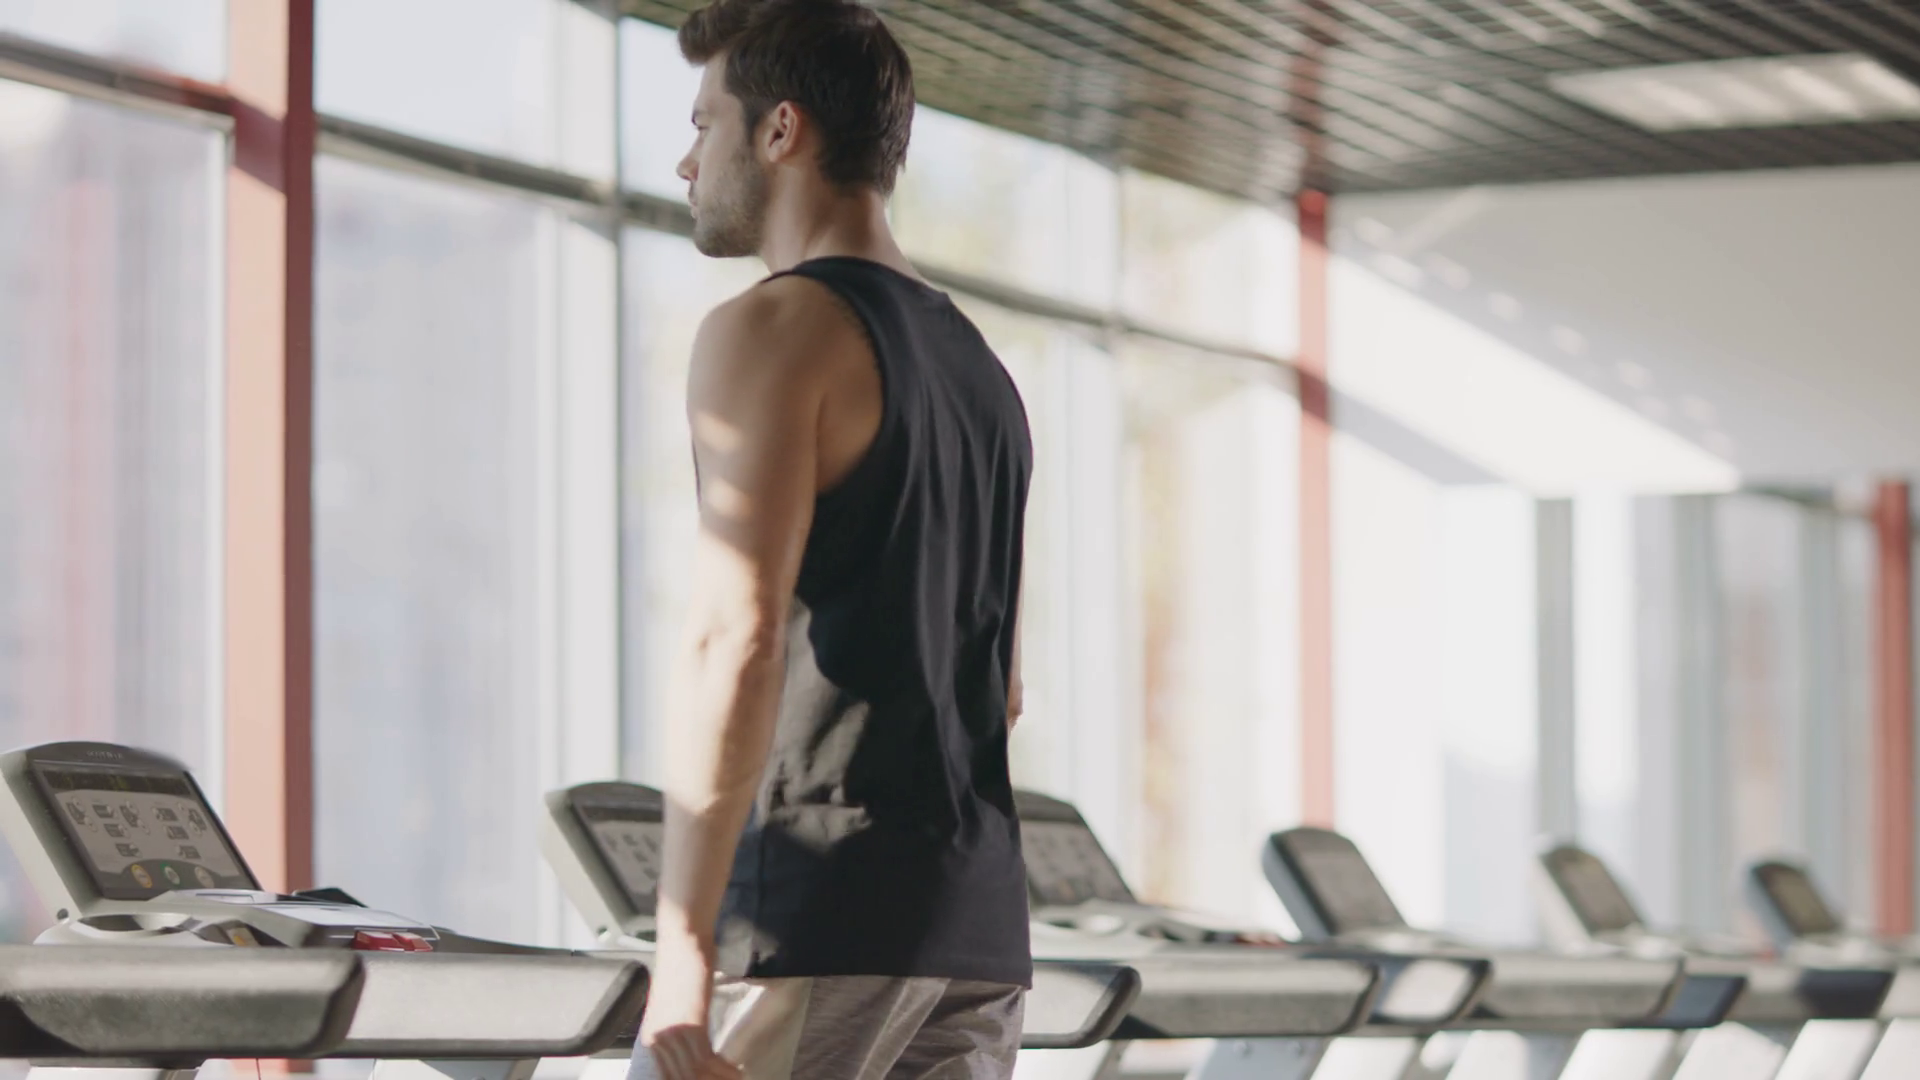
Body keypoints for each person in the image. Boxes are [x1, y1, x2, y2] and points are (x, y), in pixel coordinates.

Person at [632, 2, 1034, 1079]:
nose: (685, 158)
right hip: (976, 927)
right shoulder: (978, 372)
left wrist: (681, 954)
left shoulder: (773, 328)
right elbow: (1000, 691)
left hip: (823, 915)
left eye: (705, 122)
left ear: (781, 132)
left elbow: (736, 640)